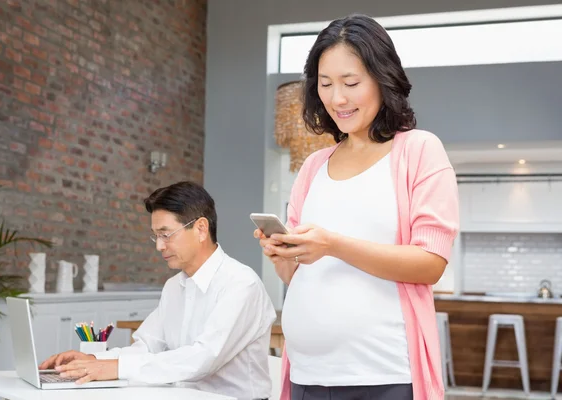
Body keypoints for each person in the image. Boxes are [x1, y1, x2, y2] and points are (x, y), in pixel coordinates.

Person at [254, 14, 459, 400]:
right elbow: (299, 277)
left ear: (383, 80)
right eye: (326, 84)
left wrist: (333, 245)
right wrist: (283, 253)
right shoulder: (313, 166)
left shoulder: (418, 151)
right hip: (306, 374)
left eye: (350, 83)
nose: (337, 98)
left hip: (383, 374)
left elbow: (431, 263)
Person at [41, 181, 276, 400]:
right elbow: (147, 346)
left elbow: (202, 359)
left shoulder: (241, 284)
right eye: (155, 236)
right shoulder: (174, 286)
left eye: (166, 234)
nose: (159, 245)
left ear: (201, 229)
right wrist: (93, 360)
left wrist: (115, 367)